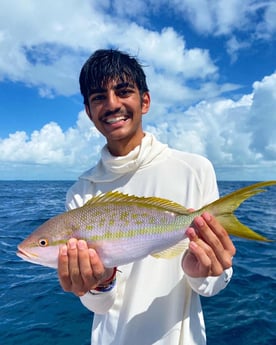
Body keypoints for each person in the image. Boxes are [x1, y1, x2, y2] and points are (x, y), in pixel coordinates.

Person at [58, 49, 236, 345]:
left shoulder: (195, 169)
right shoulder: (81, 193)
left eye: (123, 91)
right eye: (98, 97)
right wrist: (99, 283)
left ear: (145, 101)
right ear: (89, 112)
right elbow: (99, 307)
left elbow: (213, 285)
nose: (112, 104)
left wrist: (203, 272)